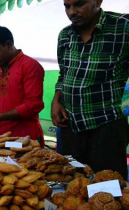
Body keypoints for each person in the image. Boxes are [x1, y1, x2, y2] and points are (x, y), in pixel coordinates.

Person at [51, 0, 129, 178]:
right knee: (71, 184)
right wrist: (56, 100)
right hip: (70, 125)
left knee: (107, 190)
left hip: (106, 126)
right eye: (67, 6)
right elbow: (64, 74)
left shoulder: (123, 27)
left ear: (98, 1)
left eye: (79, 4)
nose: (72, 12)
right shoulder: (65, 35)